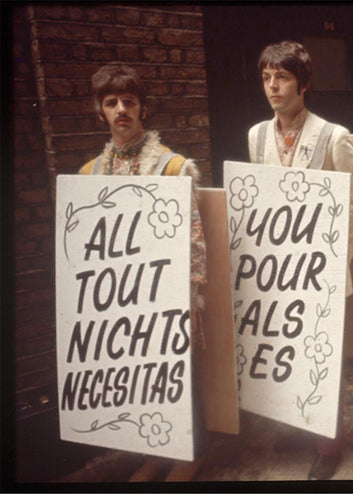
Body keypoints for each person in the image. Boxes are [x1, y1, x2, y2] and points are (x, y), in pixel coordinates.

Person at [247, 40, 353, 481]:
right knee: (290, 357)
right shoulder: (257, 136)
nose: (273, 86)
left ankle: (328, 444)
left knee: (322, 358)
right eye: (266, 77)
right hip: (279, 276)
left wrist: (333, 263)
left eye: (281, 76)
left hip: (321, 276)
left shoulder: (332, 136)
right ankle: (302, 428)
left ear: (303, 83)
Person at [79, 63, 209, 479]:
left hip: (166, 294)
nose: (121, 110)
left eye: (129, 102)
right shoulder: (89, 175)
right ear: (100, 111)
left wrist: (191, 298)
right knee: (138, 377)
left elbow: (193, 238)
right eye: (111, 102)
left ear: (143, 110)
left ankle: (192, 455)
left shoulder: (172, 168)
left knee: (176, 375)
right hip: (121, 297)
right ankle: (157, 452)